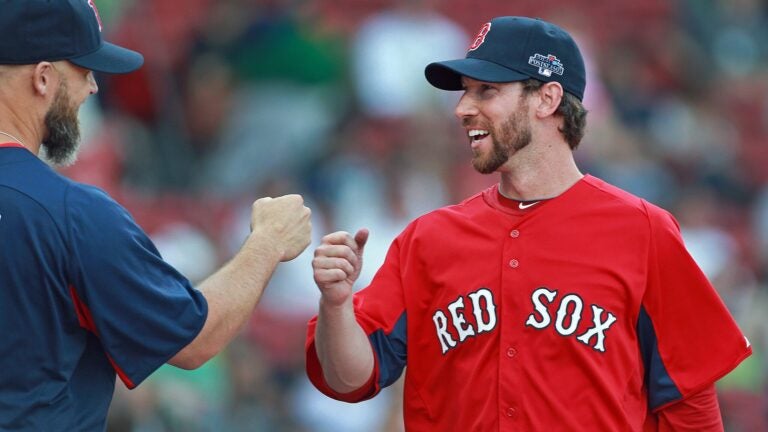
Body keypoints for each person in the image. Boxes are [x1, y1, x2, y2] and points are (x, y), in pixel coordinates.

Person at [305, 16, 752, 431]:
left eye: (486, 90)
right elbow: (349, 379)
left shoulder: (643, 231)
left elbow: (689, 402)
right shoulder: (428, 240)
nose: (462, 108)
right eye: (465, 91)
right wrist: (336, 305)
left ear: (547, 98)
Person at [0, 1, 311, 430]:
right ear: (43, 79)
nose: (92, 88)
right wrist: (267, 243)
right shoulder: (72, 214)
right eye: (84, 72)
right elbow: (193, 340)